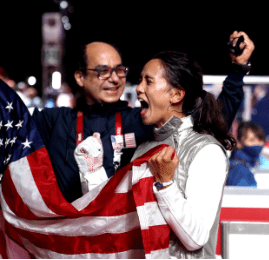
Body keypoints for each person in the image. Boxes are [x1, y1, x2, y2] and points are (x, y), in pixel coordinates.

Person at [0, 27, 254, 203]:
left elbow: (211, 117)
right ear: (80, 77)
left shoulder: (142, 121)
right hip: (68, 246)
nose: (114, 78)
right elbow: (3, 114)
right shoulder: (55, 123)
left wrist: (238, 70)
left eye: (119, 70)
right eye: (102, 71)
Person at [76, 50, 237, 258]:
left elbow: (196, 237)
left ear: (176, 95)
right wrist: (93, 172)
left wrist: (166, 185)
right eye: (140, 80)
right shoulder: (144, 148)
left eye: (148, 82)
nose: (139, 88)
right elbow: (117, 219)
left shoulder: (207, 150)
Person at [226, 121, 269, 187]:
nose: (258, 143)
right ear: (239, 142)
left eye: (260, 139)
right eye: (252, 140)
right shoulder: (239, 170)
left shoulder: (261, 163)